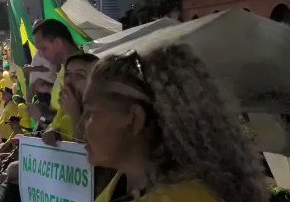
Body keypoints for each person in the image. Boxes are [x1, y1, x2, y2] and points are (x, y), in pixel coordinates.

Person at [82, 45, 267, 202]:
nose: (81, 125)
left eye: (91, 113)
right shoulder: (131, 185)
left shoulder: (181, 197)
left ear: (135, 119)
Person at [32, 19, 80, 145]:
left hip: (72, 156)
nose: (40, 55)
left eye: (43, 48)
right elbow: (62, 115)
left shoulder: (81, 72)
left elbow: (83, 121)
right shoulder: (65, 69)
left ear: (58, 43)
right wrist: (44, 114)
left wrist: (45, 120)